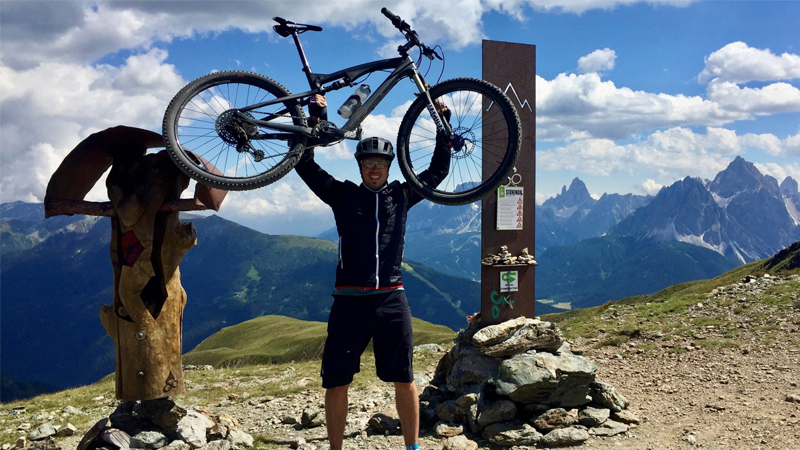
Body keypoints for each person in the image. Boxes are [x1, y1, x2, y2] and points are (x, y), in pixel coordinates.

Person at [295, 94, 450, 450]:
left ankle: (411, 447)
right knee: (336, 381)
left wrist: (443, 123)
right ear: (360, 166)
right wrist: (317, 117)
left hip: (392, 301)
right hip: (349, 301)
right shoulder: (343, 195)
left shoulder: (402, 195)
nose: (375, 168)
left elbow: (437, 171)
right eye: (368, 163)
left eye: (381, 162)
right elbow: (304, 164)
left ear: (389, 166)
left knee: (405, 380)